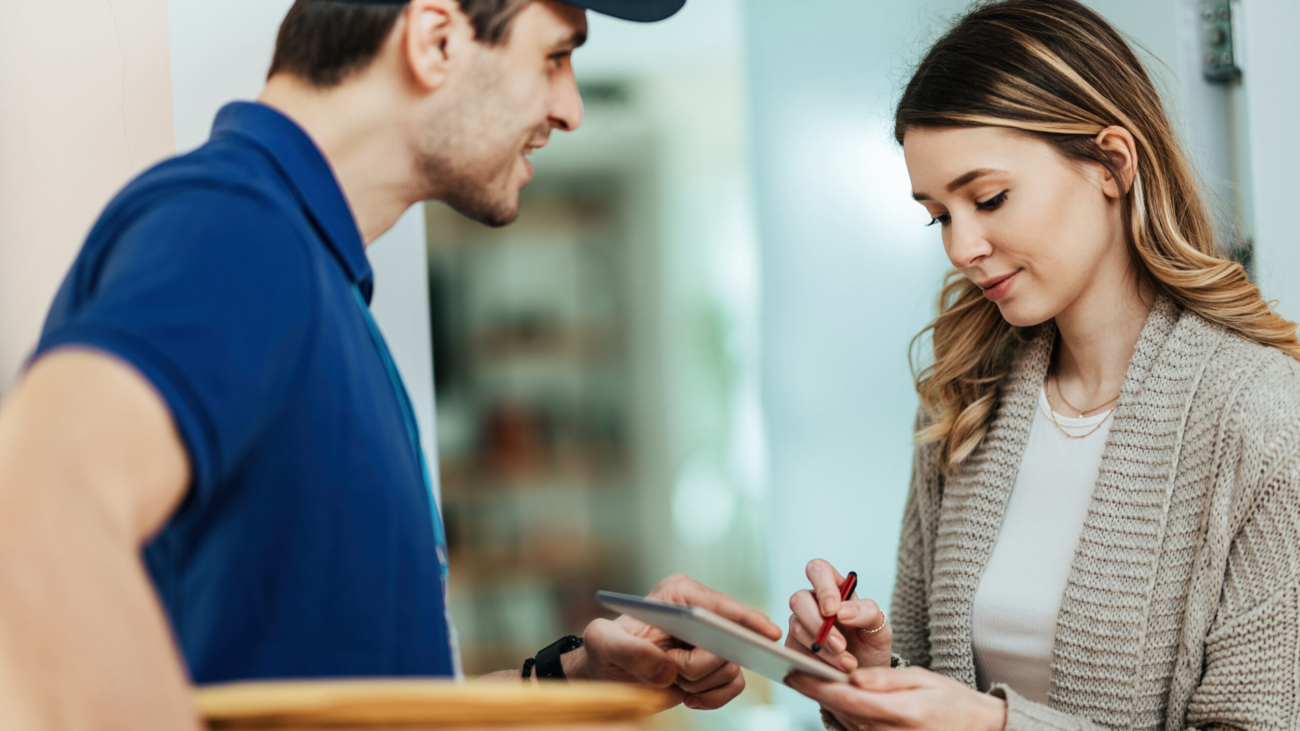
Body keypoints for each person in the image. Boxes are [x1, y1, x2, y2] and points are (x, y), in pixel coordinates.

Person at [0, 1, 783, 728]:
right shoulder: (237, 231)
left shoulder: (316, 282)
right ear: (436, 39)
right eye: (553, 57)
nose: (570, 107)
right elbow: (40, 496)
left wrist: (573, 678)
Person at [781, 1, 1300, 730]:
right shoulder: (964, 399)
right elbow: (938, 693)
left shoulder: (1262, 416)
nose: (961, 247)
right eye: (939, 215)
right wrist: (870, 681)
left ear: (1113, 164)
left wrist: (996, 725)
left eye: (988, 197)